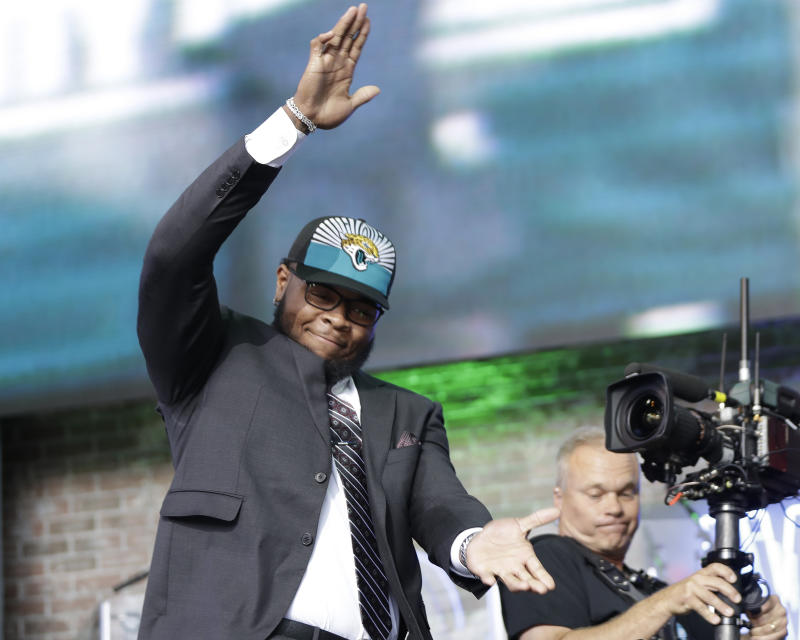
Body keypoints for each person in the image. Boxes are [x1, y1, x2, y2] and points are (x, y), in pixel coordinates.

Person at [136, 5, 558, 639]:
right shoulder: (213, 361)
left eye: (361, 310)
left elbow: (441, 508)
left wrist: (474, 543)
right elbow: (174, 256)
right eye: (323, 296)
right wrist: (294, 122)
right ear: (284, 282)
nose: (338, 320)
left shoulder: (407, 416)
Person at [498, 427, 789, 640]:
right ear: (559, 498)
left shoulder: (652, 591)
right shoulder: (547, 557)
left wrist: (762, 633)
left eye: (627, 493)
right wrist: (665, 604)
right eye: (596, 494)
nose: (613, 508)